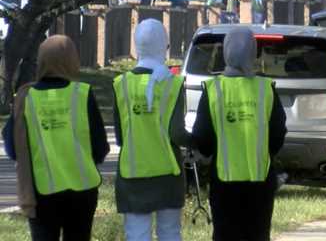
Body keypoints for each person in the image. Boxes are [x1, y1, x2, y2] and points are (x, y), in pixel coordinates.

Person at [1, 35, 109, 240]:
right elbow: (101, 147)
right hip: (82, 192)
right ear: (72, 60)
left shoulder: (26, 98)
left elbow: (13, 148)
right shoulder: (83, 94)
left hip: (42, 192)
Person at [192, 27, 287, 241]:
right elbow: (278, 133)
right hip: (260, 180)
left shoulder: (213, 89)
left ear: (226, 51)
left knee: (225, 235)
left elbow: (202, 137)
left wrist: (209, 153)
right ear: (252, 53)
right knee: (258, 235)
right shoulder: (265, 88)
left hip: (224, 181)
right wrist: (266, 153)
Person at [113, 19, 187, 241]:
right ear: (164, 46)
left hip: (133, 175)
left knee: (136, 234)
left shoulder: (121, 84)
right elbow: (177, 132)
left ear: (136, 47)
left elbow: (119, 136)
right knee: (170, 232)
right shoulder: (173, 84)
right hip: (168, 174)